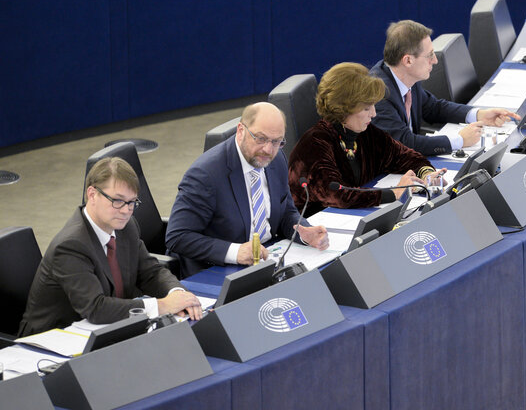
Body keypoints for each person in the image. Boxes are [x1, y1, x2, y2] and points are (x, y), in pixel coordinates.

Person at [19, 158, 202, 337]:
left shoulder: (126, 226)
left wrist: (179, 295)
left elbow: (150, 272)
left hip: (106, 330)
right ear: (92, 194)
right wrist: (162, 306)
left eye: (132, 202)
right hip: (51, 341)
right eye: (117, 200)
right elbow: (96, 308)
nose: (125, 210)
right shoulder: (71, 245)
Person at [166, 102, 329, 278]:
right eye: (260, 138)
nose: (268, 149)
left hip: (267, 259)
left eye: (276, 141)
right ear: (241, 131)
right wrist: (236, 252)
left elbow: (286, 212)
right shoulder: (205, 175)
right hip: (216, 269)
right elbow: (178, 236)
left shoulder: (276, 158)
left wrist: (305, 233)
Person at [289, 62, 444, 216]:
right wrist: (393, 193)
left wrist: (427, 174)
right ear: (344, 109)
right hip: (314, 228)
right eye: (366, 108)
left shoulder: (365, 132)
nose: (374, 114)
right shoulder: (314, 144)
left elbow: (403, 156)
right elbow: (338, 195)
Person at [370, 19, 519, 156]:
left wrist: (479, 114)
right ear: (408, 60)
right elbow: (404, 143)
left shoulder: (406, 77)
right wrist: (459, 140)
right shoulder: (378, 94)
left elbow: (434, 108)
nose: (435, 61)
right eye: (430, 55)